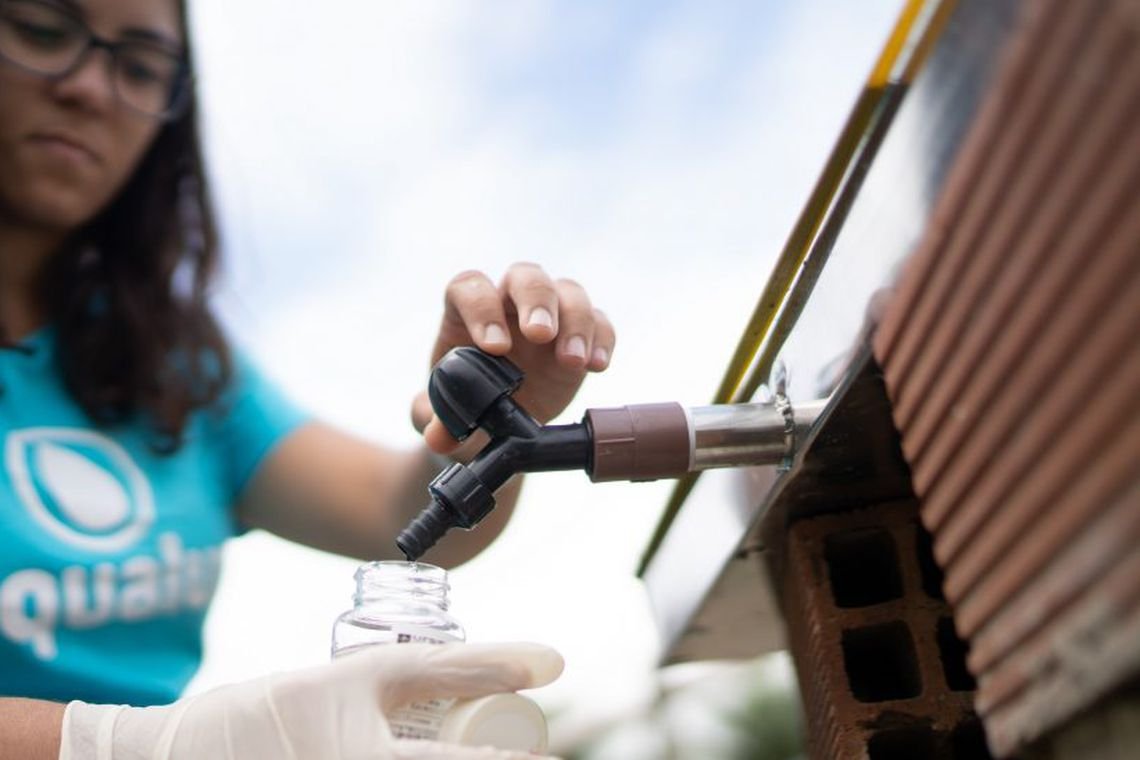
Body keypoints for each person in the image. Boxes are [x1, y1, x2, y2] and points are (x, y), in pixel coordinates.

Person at [0, 0, 615, 756]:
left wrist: (485, 416)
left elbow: (398, 519)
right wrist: (118, 744)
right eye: (41, 29)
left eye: (139, 65)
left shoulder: (172, 361)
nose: (90, 89)